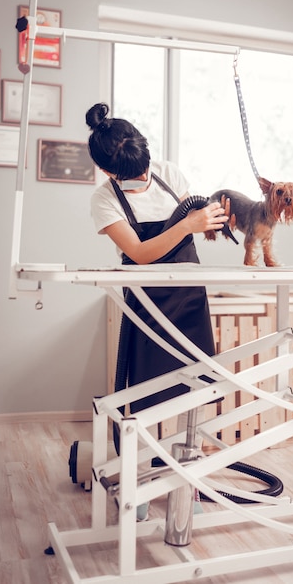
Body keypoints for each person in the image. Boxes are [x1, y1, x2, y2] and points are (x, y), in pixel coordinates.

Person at [87, 103, 227, 519]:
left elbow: (193, 218)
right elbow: (142, 253)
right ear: (111, 173)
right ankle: (143, 485)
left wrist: (213, 220)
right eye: (135, 175)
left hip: (188, 295)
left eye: (146, 167)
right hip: (146, 299)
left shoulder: (169, 172)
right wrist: (187, 225)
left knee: (196, 387)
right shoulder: (104, 200)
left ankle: (190, 486)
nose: (145, 178)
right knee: (145, 395)